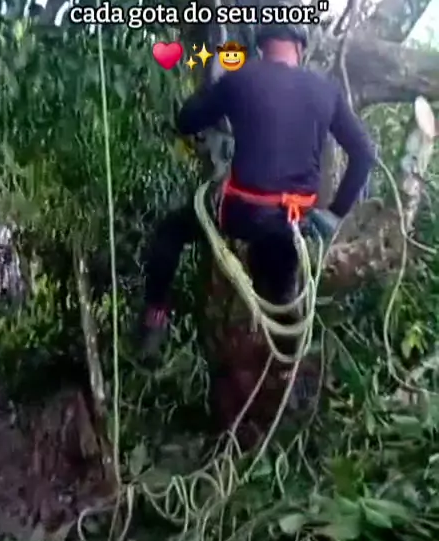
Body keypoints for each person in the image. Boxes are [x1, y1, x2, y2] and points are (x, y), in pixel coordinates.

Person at [137, 22, 376, 357]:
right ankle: (285, 355)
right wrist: (335, 213)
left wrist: (217, 89)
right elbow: (364, 155)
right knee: (280, 288)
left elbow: (186, 120)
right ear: (300, 47)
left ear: (261, 46)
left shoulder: (240, 79)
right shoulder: (327, 90)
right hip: (295, 222)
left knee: (171, 231)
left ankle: (154, 317)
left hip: (241, 214)